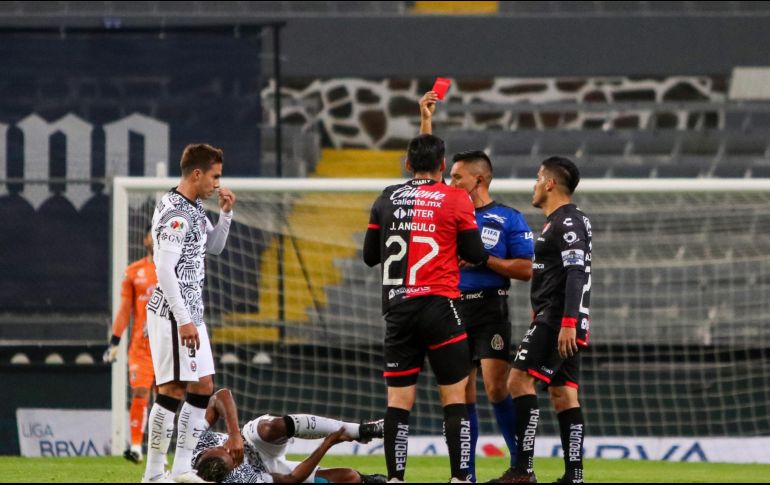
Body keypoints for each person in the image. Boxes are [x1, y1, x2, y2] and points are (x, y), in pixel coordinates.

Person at [420, 92, 535, 481]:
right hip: (453, 308)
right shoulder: (450, 211)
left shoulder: (507, 218)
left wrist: (485, 260)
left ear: (479, 178)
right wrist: (426, 120)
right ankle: (464, 474)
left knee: (495, 388)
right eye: (450, 176)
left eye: (457, 177)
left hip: (490, 308)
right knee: (460, 393)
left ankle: (521, 465)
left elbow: (526, 268)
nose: (451, 181)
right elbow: (424, 174)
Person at [363, 134, 487, 482]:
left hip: (398, 311)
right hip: (440, 307)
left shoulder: (386, 197)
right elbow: (476, 254)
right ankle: (460, 478)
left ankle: (395, 478)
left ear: (407, 165)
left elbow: (370, 256)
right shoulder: (455, 198)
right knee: (454, 397)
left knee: (398, 402)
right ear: (443, 166)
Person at [490, 157, 592, 484]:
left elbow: (576, 272)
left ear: (550, 183)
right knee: (563, 393)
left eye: (537, 179)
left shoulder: (567, 222)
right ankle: (573, 476)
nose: (534, 186)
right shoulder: (559, 222)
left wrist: (567, 322)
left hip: (557, 318)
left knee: (517, 381)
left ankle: (523, 470)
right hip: (563, 318)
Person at [142, 144, 237, 483]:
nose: (217, 183)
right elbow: (164, 269)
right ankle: (154, 473)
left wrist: (225, 214)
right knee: (171, 389)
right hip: (173, 312)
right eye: (215, 176)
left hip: (191, 313)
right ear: (197, 173)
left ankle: (182, 468)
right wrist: (182, 318)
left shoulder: (194, 207)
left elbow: (212, 247)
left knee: (202, 385)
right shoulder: (176, 214)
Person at [189, 388, 387, 483]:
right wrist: (327, 444)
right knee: (348, 478)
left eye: (225, 449)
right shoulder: (242, 481)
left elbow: (221, 396)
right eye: (234, 459)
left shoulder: (194, 443)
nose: (233, 452)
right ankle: (370, 481)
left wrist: (233, 435)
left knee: (270, 428)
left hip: (251, 440)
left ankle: (359, 430)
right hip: (268, 470)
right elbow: (291, 479)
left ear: (208, 449)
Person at [104, 225, 158, 463]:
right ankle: (136, 446)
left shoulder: (176, 270)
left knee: (166, 397)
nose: (155, 238)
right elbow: (125, 310)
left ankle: (159, 451)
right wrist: (114, 340)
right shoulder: (134, 272)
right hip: (141, 347)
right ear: (146, 240)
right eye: (152, 234)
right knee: (140, 391)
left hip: (167, 345)